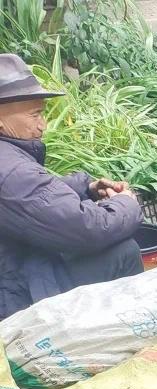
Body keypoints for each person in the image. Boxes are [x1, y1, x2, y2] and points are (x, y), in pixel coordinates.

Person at [0, 54, 142, 320]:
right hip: (13, 298)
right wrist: (126, 204)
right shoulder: (11, 170)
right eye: (35, 114)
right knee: (124, 252)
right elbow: (86, 229)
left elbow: (30, 198)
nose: (43, 125)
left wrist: (86, 188)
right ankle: (121, 333)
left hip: (13, 267)